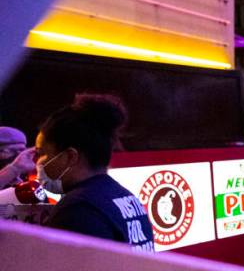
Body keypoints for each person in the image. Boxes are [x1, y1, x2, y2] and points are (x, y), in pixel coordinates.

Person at [32, 94, 153, 251]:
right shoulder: (125, 197)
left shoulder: (76, 210)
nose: (38, 162)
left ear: (70, 157)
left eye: (42, 153)